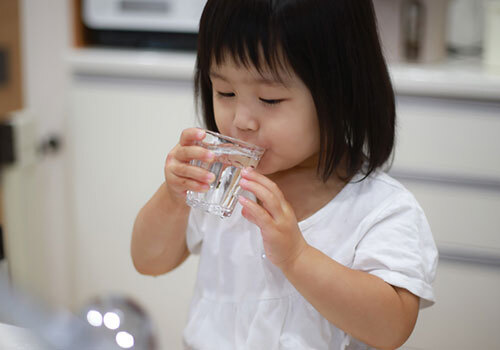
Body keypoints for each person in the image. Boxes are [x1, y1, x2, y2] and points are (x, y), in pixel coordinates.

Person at [131, 0, 438, 349]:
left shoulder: (380, 208)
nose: (241, 120)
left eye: (270, 99)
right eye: (225, 92)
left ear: (341, 94)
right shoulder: (221, 179)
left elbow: (391, 327)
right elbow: (148, 260)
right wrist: (172, 197)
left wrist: (297, 257)